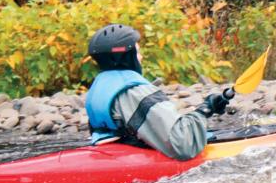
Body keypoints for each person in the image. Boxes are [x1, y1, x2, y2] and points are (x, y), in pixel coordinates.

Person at [84, 23, 229, 160]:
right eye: (138, 52)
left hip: (115, 152)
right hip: (137, 161)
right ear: (125, 57)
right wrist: (205, 109)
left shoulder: (100, 87)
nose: (141, 57)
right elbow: (183, 144)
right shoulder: (135, 92)